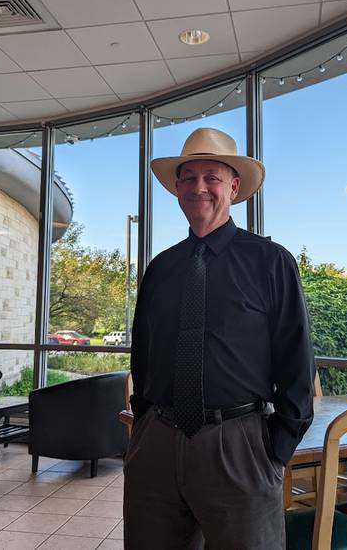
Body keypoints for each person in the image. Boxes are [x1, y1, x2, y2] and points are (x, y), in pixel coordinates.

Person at [124, 127, 315, 549]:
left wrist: (276, 448)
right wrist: (144, 428)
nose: (199, 187)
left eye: (212, 177)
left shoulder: (271, 261)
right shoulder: (161, 268)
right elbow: (143, 354)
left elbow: (296, 357)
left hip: (240, 443)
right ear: (176, 188)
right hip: (157, 442)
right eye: (189, 177)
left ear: (234, 185)